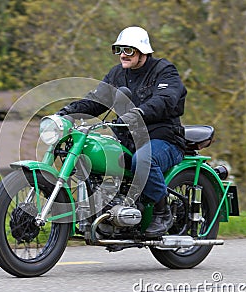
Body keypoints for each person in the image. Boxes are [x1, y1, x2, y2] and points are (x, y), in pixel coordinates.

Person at [57, 26, 186, 238]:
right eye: (119, 50)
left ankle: (163, 212)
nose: (123, 55)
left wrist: (139, 113)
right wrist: (66, 112)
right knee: (97, 157)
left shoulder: (164, 70)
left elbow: (166, 99)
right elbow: (97, 101)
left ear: (143, 51)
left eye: (129, 50)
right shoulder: (117, 74)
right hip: (128, 139)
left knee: (143, 160)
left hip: (163, 138)